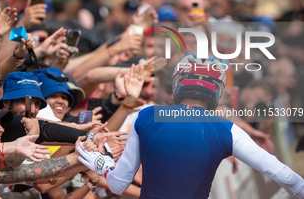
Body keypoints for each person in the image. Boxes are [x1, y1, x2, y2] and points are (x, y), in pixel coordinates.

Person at [77, 53, 304, 199]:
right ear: (217, 90)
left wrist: (104, 166)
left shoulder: (145, 116)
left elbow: (117, 185)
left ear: (177, 83)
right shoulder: (227, 129)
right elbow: (279, 172)